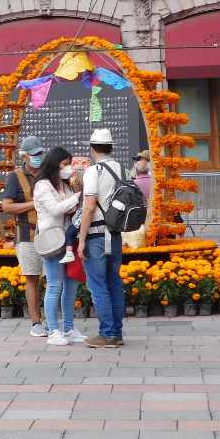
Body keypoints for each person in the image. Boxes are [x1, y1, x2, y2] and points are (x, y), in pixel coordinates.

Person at [77, 129, 126, 349]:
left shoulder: (93, 171)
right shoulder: (122, 169)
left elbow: (88, 208)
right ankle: (116, 332)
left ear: (92, 147)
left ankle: (106, 334)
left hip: (96, 235)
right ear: (111, 146)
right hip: (115, 234)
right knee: (114, 283)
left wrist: (81, 239)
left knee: (98, 285)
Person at [33, 147, 85, 347]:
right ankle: (53, 330)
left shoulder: (63, 185)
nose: (68, 168)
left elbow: (71, 208)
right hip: (52, 241)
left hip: (68, 240)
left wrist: (74, 199)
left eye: (69, 164)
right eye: (65, 164)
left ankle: (69, 328)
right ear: (55, 164)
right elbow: (55, 209)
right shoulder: (43, 185)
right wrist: (78, 197)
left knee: (71, 286)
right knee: (55, 285)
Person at [1, 135, 46, 338]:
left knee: (54, 279)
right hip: (26, 235)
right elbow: (7, 206)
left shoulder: (49, 174)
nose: (38, 157)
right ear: (25, 156)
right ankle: (36, 322)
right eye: (34, 155)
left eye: (40, 154)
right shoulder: (15, 177)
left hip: (51, 234)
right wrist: (33, 204)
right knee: (32, 278)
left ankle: (53, 320)